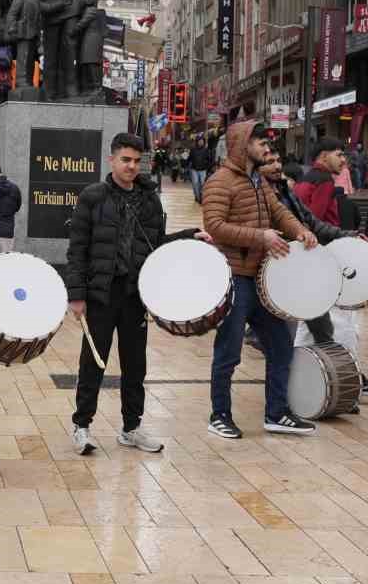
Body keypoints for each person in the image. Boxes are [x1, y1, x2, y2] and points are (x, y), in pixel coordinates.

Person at [65, 134, 212, 454]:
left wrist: (189, 236)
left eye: (136, 161)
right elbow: (77, 250)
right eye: (125, 160)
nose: (131, 166)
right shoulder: (93, 197)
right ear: (112, 160)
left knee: (136, 365)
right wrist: (76, 294)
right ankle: (82, 425)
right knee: (94, 361)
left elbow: (155, 245)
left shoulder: (148, 199)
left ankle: (131, 427)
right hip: (101, 293)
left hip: (135, 294)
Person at [201, 120, 320, 439]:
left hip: (261, 279)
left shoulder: (258, 181)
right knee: (229, 350)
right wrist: (261, 237)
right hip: (234, 278)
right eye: (260, 141)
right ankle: (220, 414)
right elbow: (214, 225)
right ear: (242, 144)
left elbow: (279, 212)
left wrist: (300, 231)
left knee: (281, 344)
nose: (267, 146)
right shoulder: (220, 181)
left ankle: (276, 413)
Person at [263, 152, 368, 400]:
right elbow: (311, 224)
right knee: (288, 337)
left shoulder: (284, 191)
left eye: (278, 160)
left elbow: (310, 222)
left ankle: (337, 385)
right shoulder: (316, 182)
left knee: (320, 331)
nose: (278, 166)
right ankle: (293, 395)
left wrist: (346, 235)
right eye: (270, 161)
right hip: (280, 273)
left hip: (302, 270)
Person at [293, 138, 347, 229]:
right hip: (322, 239)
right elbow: (315, 219)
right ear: (324, 156)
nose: (343, 160)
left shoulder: (306, 177)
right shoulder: (325, 180)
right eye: (339, 155)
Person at [187, 137, 213, 203]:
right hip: (194, 169)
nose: (201, 142)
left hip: (203, 169)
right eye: (199, 141)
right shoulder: (193, 150)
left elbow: (209, 159)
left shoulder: (206, 150)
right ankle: (197, 197)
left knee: (202, 183)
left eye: (202, 141)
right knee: (195, 183)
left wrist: (208, 166)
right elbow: (189, 159)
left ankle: (201, 196)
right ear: (197, 142)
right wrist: (187, 165)